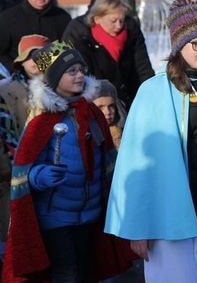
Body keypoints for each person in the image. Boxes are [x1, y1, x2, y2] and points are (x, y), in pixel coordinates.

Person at [105, 0, 197, 282]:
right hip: (172, 214)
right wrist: (139, 227)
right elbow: (137, 162)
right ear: (179, 45)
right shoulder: (154, 92)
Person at [3, 41, 132, 281]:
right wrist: (40, 176)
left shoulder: (91, 113)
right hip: (55, 215)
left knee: (84, 270)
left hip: (89, 212)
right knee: (67, 273)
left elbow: (107, 159)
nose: (79, 75)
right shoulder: (42, 120)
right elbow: (25, 167)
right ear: (54, 77)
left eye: (81, 69)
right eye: (71, 71)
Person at [62, 0, 154, 110]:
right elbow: (65, 68)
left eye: (121, 21)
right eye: (113, 21)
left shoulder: (130, 28)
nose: (118, 26)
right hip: (91, 104)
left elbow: (141, 68)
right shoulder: (79, 29)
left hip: (124, 103)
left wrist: (150, 97)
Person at [0, 35, 50, 255]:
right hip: (17, 167)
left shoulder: (60, 87)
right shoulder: (7, 90)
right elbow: (7, 133)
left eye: (39, 55)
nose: (34, 61)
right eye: (29, 56)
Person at [0, 0, 71, 72]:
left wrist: (43, 67)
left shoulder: (62, 18)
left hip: (53, 79)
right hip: (17, 80)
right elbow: (1, 52)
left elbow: (66, 48)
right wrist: (19, 70)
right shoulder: (8, 18)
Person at [90, 79, 127, 150]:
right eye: (100, 107)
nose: (108, 112)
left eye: (111, 106)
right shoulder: (87, 138)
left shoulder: (127, 133)